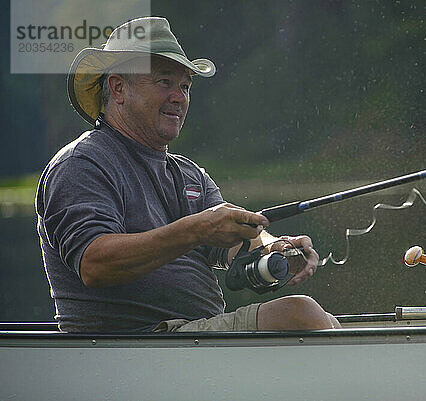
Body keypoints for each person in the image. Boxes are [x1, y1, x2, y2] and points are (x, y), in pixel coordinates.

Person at [36, 17, 341, 332]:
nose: (179, 97)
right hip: (133, 347)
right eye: (164, 82)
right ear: (118, 87)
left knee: (326, 321)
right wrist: (197, 229)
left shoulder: (190, 174)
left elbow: (233, 242)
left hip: (188, 346)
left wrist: (273, 245)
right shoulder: (81, 164)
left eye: (185, 86)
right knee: (300, 314)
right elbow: (95, 264)